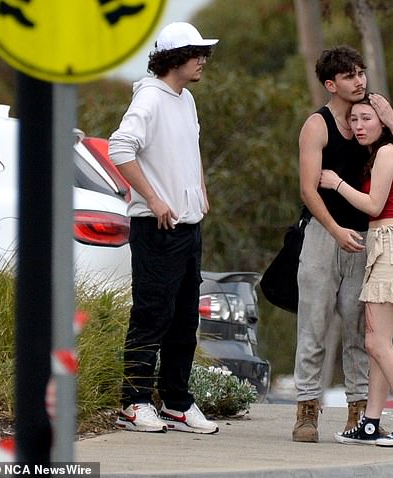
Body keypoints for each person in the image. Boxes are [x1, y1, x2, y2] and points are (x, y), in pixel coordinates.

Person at [293, 45, 393, 443]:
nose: (359, 80)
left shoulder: (373, 124)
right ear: (332, 84)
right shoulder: (318, 125)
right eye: (350, 76)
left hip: (371, 239)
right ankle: (306, 410)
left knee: (361, 330)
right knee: (313, 323)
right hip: (324, 232)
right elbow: (308, 188)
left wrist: (392, 121)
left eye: (361, 72)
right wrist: (334, 230)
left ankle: (360, 412)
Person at [109, 22, 219, 434]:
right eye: (196, 53)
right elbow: (121, 147)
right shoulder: (150, 100)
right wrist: (154, 199)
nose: (202, 61)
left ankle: (176, 402)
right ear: (174, 58)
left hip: (188, 229)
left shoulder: (185, 99)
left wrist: (201, 190)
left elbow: (190, 149)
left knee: (184, 319)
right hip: (156, 229)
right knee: (152, 315)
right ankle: (133, 403)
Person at [319, 95, 393, 447]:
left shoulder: (387, 153)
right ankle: (371, 421)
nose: (359, 126)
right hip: (385, 248)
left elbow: (373, 204)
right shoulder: (380, 156)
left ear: (382, 122)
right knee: (378, 344)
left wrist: (335, 183)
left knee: (376, 342)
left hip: (391, 248)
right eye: (354, 120)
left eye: (367, 118)